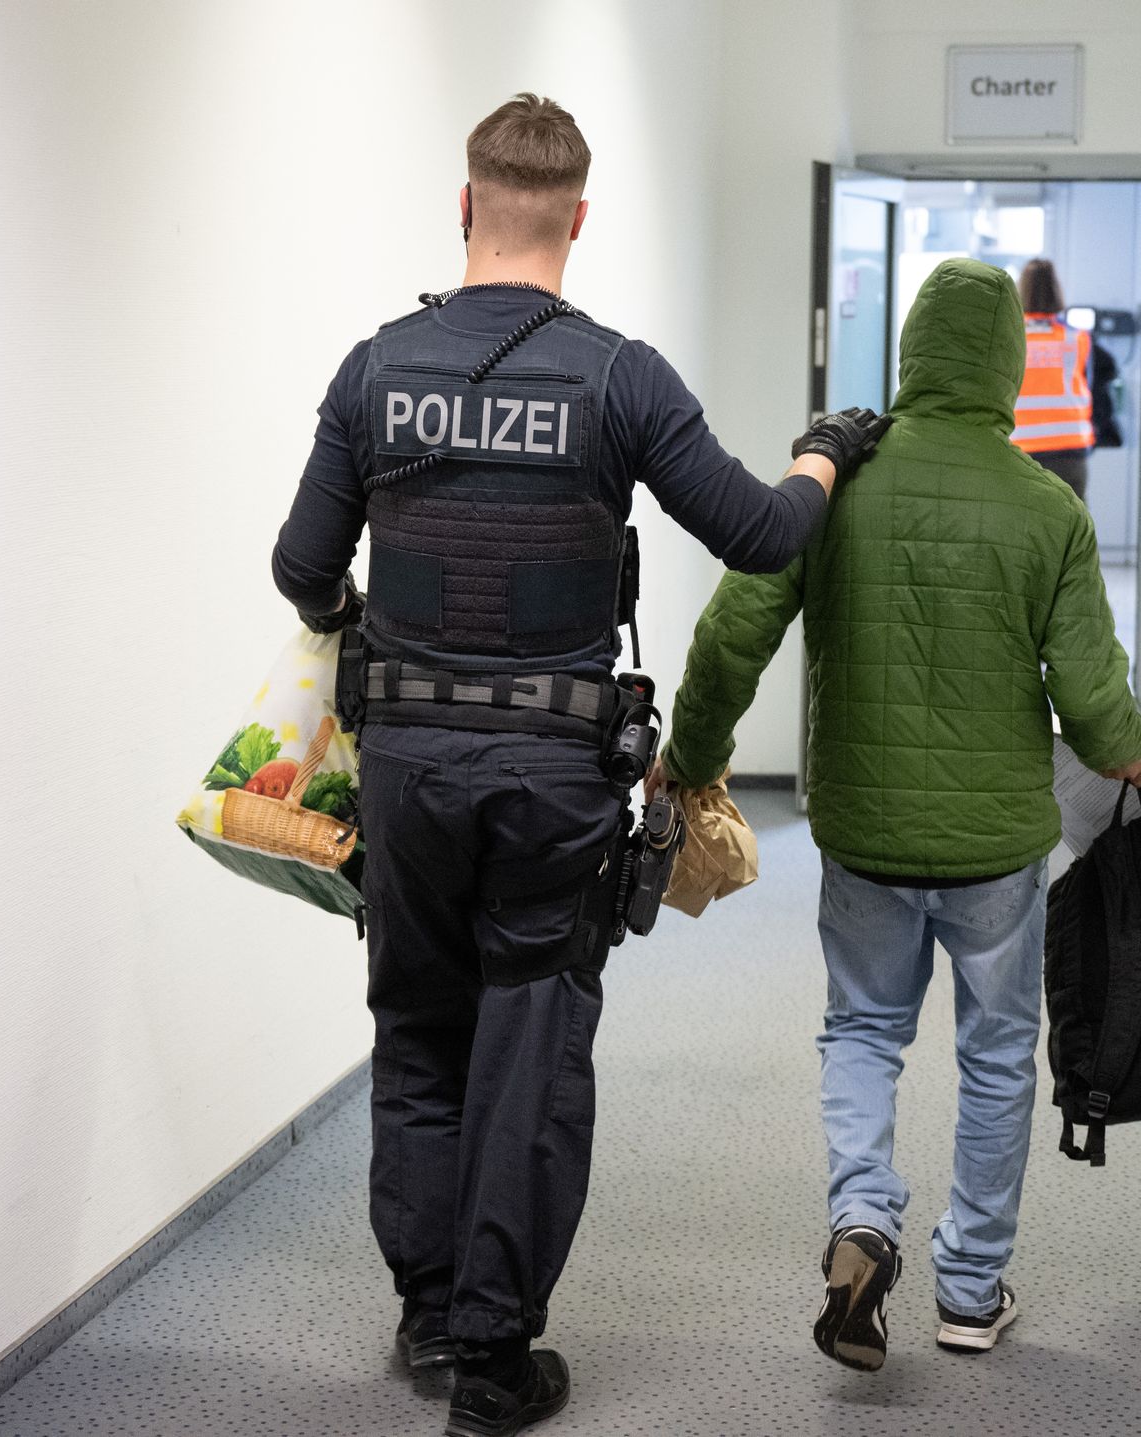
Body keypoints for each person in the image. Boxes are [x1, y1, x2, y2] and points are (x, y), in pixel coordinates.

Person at [270, 93, 886, 1437]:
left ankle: (431, 1304)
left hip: (408, 774)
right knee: (530, 1041)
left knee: (420, 1025)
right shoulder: (620, 377)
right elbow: (764, 535)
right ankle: (494, 1359)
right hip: (554, 781)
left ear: (465, 206)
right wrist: (823, 456)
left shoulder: (375, 369)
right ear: (581, 221)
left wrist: (352, 632)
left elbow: (302, 569)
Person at [652, 258, 1141, 1371]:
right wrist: (1126, 754)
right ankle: (969, 1291)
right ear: (1008, 368)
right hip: (995, 855)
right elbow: (1099, 714)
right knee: (996, 1056)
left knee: (865, 1033)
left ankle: (862, 1223)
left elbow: (734, 631)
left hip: (862, 836)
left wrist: (690, 757)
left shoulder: (834, 489)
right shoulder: (1046, 509)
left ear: (909, 356)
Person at [1013, 257, 1095, 501]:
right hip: (1070, 450)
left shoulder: (1010, 339)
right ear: (1056, 291)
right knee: (1073, 532)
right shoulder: (1076, 339)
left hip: (1021, 450)